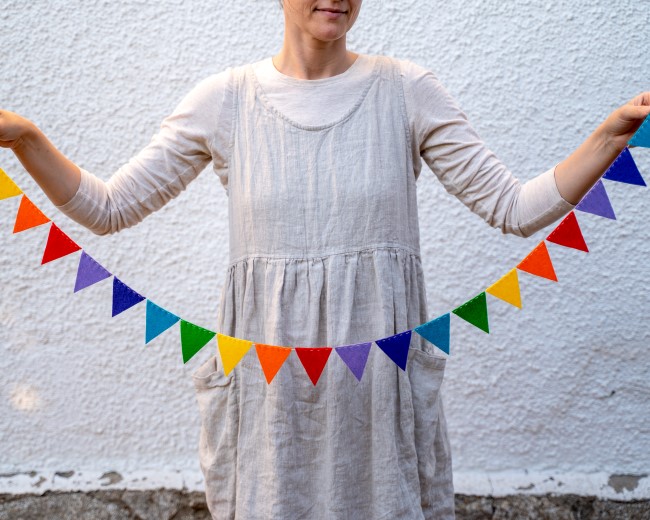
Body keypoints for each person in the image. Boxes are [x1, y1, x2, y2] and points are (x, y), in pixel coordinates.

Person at [1, 1, 648, 518]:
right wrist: (26, 136)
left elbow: (515, 206)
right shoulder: (224, 99)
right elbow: (108, 207)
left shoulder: (408, 90)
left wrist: (612, 133)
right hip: (269, 395)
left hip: (379, 393)